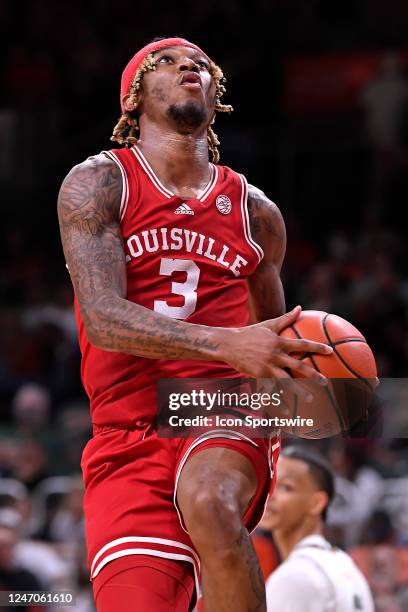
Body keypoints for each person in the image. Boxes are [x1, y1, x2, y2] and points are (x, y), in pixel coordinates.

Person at [57, 36, 332, 612]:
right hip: (123, 434)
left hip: (218, 405)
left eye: (202, 65)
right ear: (133, 99)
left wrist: (309, 383)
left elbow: (272, 340)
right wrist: (229, 342)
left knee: (209, 501)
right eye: (167, 61)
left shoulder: (256, 212)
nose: (189, 66)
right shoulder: (99, 184)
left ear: (215, 94)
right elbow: (104, 320)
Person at [263, 445, 374, 611]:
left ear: (316, 503)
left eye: (286, 487)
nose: (269, 495)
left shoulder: (295, 576)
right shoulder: (346, 565)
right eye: (269, 484)